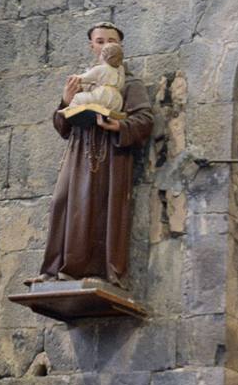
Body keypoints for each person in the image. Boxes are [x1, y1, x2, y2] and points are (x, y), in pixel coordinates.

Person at [38, 22, 153, 285]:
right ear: (92, 46)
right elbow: (62, 126)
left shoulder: (129, 83)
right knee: (62, 203)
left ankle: (98, 272)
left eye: (111, 41)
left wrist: (120, 126)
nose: (105, 45)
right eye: (100, 41)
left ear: (120, 46)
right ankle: (54, 270)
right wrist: (66, 101)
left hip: (111, 156)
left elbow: (145, 119)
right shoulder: (83, 82)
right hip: (78, 153)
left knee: (100, 208)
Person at [65, 41, 126, 116]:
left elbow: (85, 78)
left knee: (78, 97)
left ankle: (71, 112)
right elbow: (121, 85)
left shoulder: (101, 68)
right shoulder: (119, 71)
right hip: (117, 100)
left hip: (103, 95)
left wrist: (75, 77)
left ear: (104, 56)